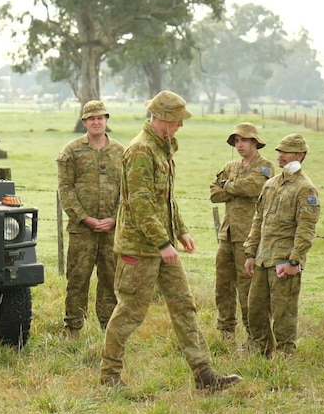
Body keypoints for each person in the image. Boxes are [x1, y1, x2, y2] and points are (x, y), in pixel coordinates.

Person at [99, 90, 242, 391]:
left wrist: (180, 231)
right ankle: (109, 378)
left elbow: (165, 200)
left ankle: (205, 376)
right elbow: (140, 203)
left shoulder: (162, 148)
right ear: (163, 119)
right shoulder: (140, 151)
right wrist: (164, 243)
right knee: (130, 312)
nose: (181, 126)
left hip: (163, 246)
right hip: (140, 248)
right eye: (177, 120)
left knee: (184, 306)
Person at [244, 134, 319, 357]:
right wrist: (250, 252)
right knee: (255, 309)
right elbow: (258, 221)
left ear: (300, 155)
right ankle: (261, 352)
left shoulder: (305, 189)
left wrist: (294, 260)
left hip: (284, 261)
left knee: (283, 311)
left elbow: (306, 229)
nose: (280, 155)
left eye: (286, 151)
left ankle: (286, 356)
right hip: (262, 258)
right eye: (279, 151)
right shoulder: (270, 184)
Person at [56, 100, 124, 337]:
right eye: (91, 118)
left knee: (111, 279)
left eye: (100, 117)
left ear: (106, 120)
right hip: (82, 230)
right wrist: (85, 218)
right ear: (84, 121)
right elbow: (65, 189)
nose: (96, 122)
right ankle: (73, 329)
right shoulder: (71, 151)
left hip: (112, 231)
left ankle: (109, 330)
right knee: (78, 279)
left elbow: (128, 190)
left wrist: (114, 218)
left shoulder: (120, 152)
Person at [209, 123, 275, 346]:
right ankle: (226, 331)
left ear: (255, 142)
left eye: (244, 140)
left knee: (248, 288)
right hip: (226, 234)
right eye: (236, 141)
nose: (239, 145)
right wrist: (232, 187)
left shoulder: (265, 167)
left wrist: (228, 186)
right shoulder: (230, 165)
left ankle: (253, 336)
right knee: (223, 284)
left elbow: (254, 188)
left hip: (249, 237)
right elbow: (213, 193)